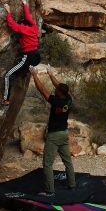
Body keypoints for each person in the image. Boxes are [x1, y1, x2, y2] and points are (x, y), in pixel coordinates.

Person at [31, 67, 76, 195]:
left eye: (56, 90)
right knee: (67, 162)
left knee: (47, 164)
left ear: (59, 93)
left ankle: (50, 191)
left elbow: (42, 90)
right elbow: (60, 86)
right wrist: (50, 74)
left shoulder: (56, 101)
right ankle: (72, 185)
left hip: (54, 135)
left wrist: (34, 75)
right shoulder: (68, 99)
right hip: (64, 134)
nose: (54, 89)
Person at [1, 0, 40, 105]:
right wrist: (24, 3)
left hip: (28, 56)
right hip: (36, 56)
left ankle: (6, 99)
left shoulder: (24, 29)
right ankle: (24, 71)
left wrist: (8, 12)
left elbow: (12, 25)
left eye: (22, 24)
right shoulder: (34, 26)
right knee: (19, 70)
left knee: (8, 75)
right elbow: (28, 17)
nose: (21, 25)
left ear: (24, 25)